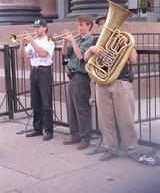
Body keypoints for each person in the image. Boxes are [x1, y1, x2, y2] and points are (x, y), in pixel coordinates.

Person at [84, 13, 140, 161]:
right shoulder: (97, 41)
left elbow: (133, 59)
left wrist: (128, 43)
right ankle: (111, 149)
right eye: (101, 24)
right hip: (102, 84)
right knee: (105, 121)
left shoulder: (124, 39)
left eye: (106, 23)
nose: (104, 26)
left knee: (126, 119)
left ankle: (131, 149)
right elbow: (85, 58)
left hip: (121, 82)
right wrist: (91, 50)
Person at [62, 14, 95, 150]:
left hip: (82, 76)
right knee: (71, 108)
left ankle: (85, 137)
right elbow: (65, 53)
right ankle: (74, 135)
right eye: (78, 25)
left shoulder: (91, 40)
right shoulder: (78, 39)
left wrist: (72, 40)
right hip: (72, 75)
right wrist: (65, 41)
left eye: (82, 25)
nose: (79, 27)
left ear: (89, 26)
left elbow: (81, 56)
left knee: (82, 108)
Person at [19, 18, 55, 141]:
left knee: (46, 102)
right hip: (34, 70)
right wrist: (22, 43)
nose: (36, 29)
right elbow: (22, 55)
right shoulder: (32, 40)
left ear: (45, 28)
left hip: (44, 71)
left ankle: (49, 130)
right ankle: (37, 128)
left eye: (38, 27)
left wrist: (31, 42)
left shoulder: (49, 40)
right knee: (35, 102)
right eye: (35, 27)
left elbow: (43, 54)